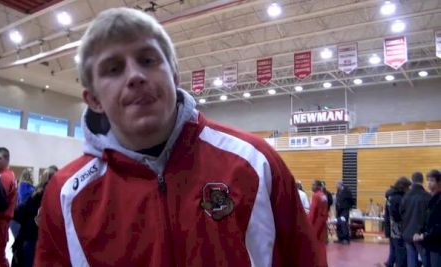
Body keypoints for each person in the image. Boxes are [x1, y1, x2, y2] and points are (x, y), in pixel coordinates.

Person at [34, 7, 324, 267]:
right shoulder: (66, 194)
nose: (135, 76)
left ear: (174, 76)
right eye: (114, 68)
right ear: (93, 99)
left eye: (147, 60)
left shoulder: (255, 162)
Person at [12, 166, 57, 267]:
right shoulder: (53, 194)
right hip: (41, 238)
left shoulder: (37, 193)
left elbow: (20, 213)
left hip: (30, 236)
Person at [400, 172, 431, 267]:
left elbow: (401, 212)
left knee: (411, 258)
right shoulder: (427, 196)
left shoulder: (406, 196)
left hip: (407, 232)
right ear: (422, 181)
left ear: (412, 180)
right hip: (420, 233)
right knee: (425, 259)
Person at [414, 169, 441, 267]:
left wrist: (424, 236)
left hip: (437, 244)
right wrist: (419, 232)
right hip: (428, 243)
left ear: (439, 183)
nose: (429, 183)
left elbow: (438, 225)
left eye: (432, 180)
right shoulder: (430, 198)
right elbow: (426, 220)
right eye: (428, 180)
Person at [388, 176, 412, 267]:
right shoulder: (398, 198)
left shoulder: (392, 196)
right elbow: (396, 214)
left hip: (394, 227)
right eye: (407, 187)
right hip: (398, 227)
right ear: (403, 186)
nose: (408, 189)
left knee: (395, 248)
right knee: (400, 250)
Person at [308, 180, 329, 267]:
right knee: (322, 245)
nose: (311, 186)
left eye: (313, 185)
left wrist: (309, 223)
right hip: (323, 223)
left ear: (317, 186)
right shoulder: (324, 195)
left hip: (316, 224)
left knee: (315, 244)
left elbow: (313, 211)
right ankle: (323, 263)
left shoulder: (316, 196)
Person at [335, 180, 354, 244]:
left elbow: (351, 200)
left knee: (344, 223)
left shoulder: (347, 191)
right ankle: (340, 238)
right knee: (338, 223)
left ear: (341, 184)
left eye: (337, 184)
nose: (336, 186)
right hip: (339, 210)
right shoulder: (338, 191)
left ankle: (346, 238)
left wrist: (348, 207)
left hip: (345, 210)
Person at [384, 186, 397, 267]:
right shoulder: (394, 199)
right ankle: (391, 261)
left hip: (390, 225)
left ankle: (390, 261)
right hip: (395, 226)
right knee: (395, 246)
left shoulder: (388, 201)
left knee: (392, 245)